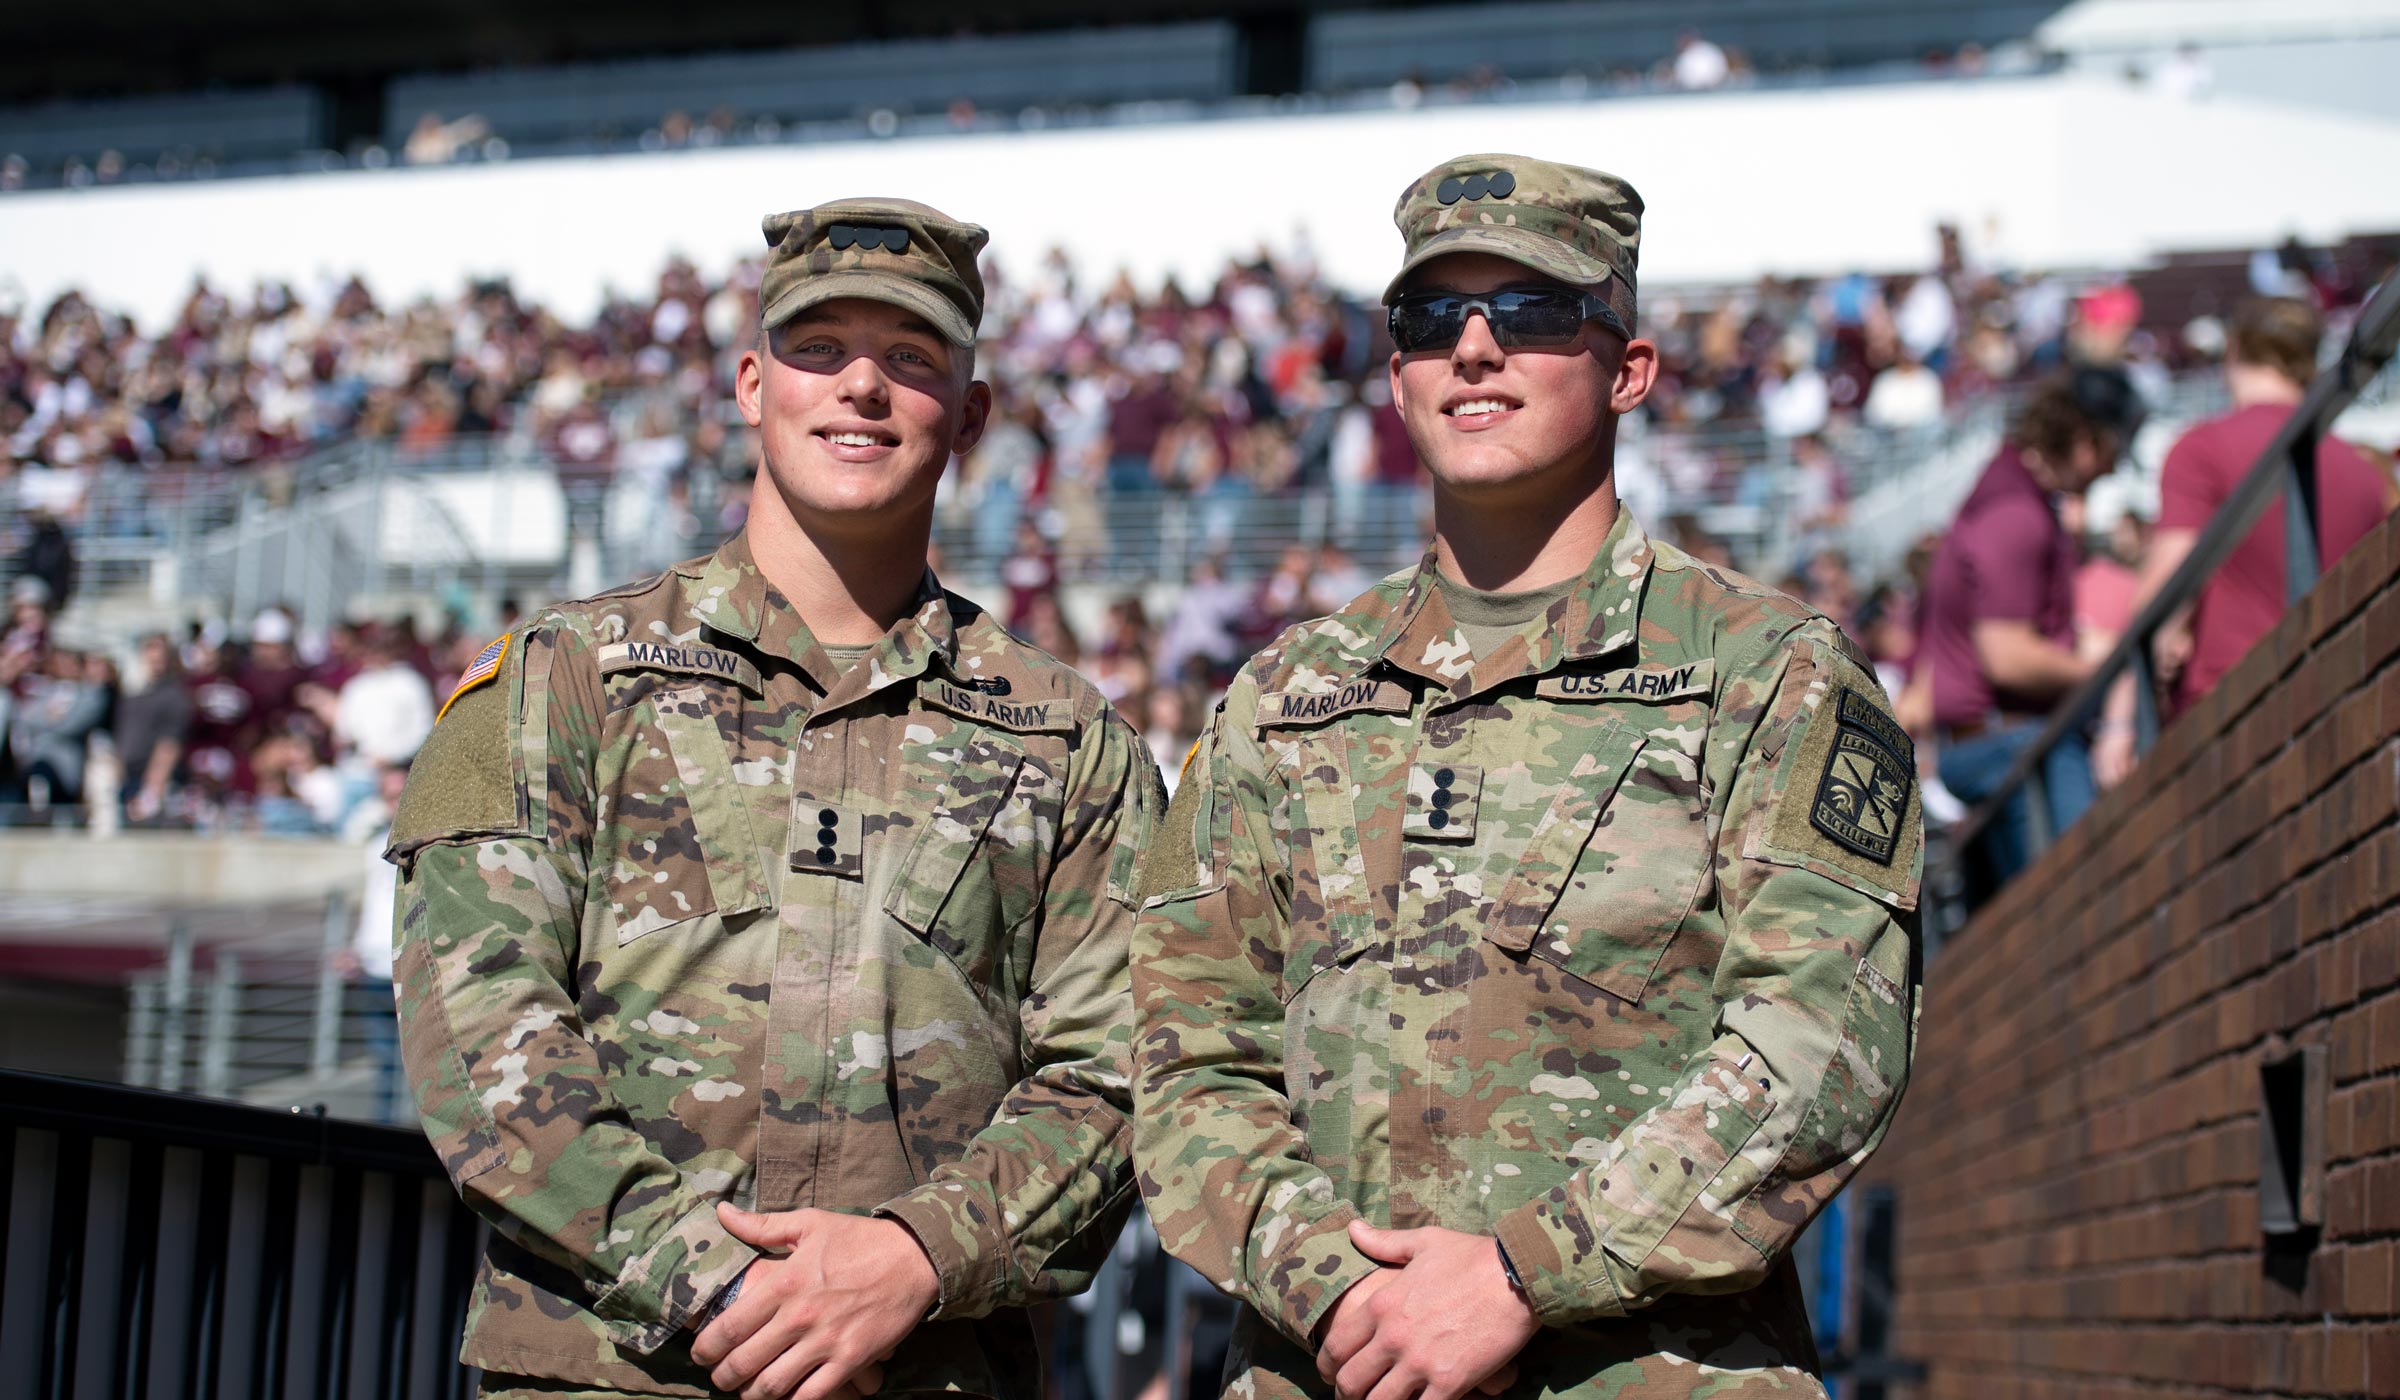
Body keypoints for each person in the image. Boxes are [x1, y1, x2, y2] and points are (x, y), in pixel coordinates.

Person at [1130, 154, 1923, 1400]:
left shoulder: (1766, 672)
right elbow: (1186, 1056)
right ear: (1396, 375)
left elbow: (1822, 1038)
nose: (1479, 348)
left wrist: (1519, 1273)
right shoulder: (1282, 704)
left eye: (1538, 310)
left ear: (1632, 367)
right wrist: (1349, 1291)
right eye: (1433, 319)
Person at [388, 197, 1162, 1400]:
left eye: (910, 359)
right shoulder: (568, 674)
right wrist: (716, 1280)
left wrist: (916, 1257)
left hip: (925, 1364)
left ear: (970, 414)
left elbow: (1118, 1071)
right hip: (615, 1369)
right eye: (820, 349)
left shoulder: (1069, 740)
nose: (862, 386)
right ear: (753, 385)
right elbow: (475, 1017)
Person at [2092, 298, 2395, 786]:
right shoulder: (2363, 471)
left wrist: (2121, 715)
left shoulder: (2203, 448)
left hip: (2229, 716)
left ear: (2234, 352)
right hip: (2341, 706)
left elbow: (2166, 588)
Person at [1919, 366, 2142, 890]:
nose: (2110, 472)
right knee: (2087, 901)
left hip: (2001, 741)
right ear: (2087, 443)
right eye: (2113, 454)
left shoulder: (2010, 491)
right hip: (2012, 742)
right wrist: (2107, 671)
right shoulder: (2017, 512)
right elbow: (2008, 655)